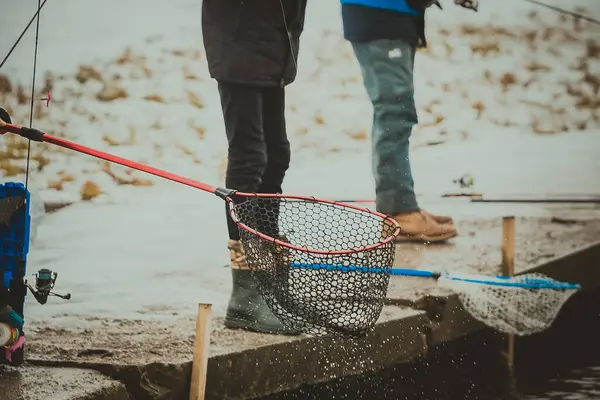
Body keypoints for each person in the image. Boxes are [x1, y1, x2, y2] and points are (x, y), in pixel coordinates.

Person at [201, 0, 307, 335]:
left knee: (277, 155)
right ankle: (245, 296)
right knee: (249, 158)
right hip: (238, 39)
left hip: (274, 40)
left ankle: (269, 284)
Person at [340, 0, 478, 242]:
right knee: (394, 112)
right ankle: (400, 212)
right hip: (380, 15)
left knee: (395, 112)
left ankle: (401, 206)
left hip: (394, 16)